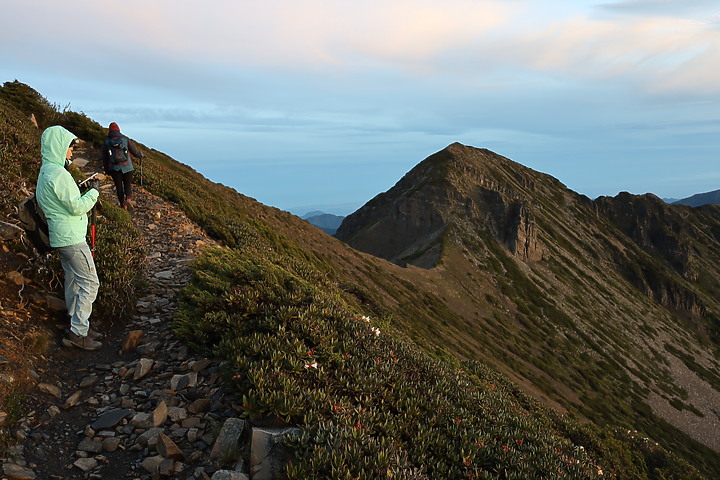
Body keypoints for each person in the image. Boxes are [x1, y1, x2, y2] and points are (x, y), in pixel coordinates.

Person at [36, 126, 103, 351]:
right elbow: (76, 207)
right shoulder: (59, 174)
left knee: (74, 281)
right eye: (69, 146)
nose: (72, 151)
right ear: (58, 147)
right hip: (72, 238)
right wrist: (94, 192)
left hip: (61, 237)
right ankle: (78, 333)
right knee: (90, 283)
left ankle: (77, 323)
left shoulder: (46, 171)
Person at [102, 122, 143, 210]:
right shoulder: (125, 139)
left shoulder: (107, 141)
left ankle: (122, 205)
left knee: (119, 187)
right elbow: (134, 152)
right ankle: (128, 198)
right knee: (127, 184)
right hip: (127, 166)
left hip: (114, 168)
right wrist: (140, 155)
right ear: (118, 130)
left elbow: (105, 157)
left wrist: (107, 170)